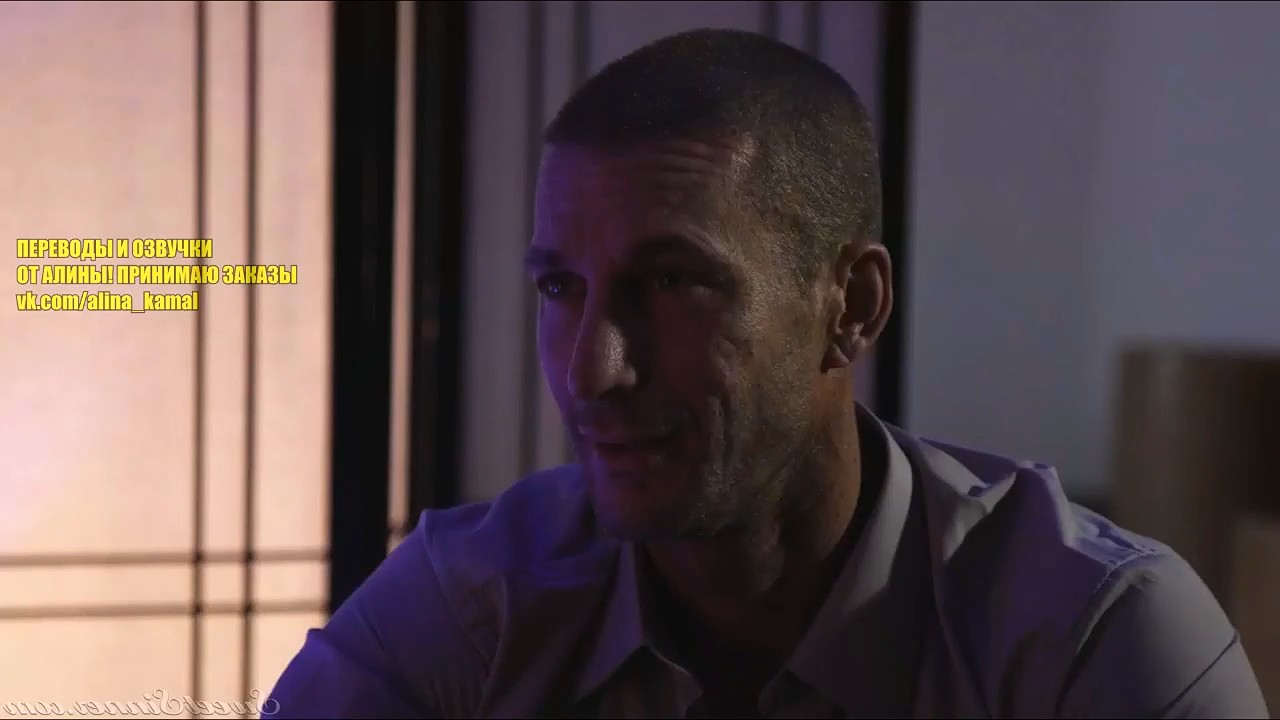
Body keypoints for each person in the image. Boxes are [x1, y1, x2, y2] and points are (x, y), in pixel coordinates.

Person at [266, 28, 1269, 718]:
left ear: (852, 305)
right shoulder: (476, 606)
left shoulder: (1087, 640)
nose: (591, 371)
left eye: (672, 282)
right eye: (560, 288)